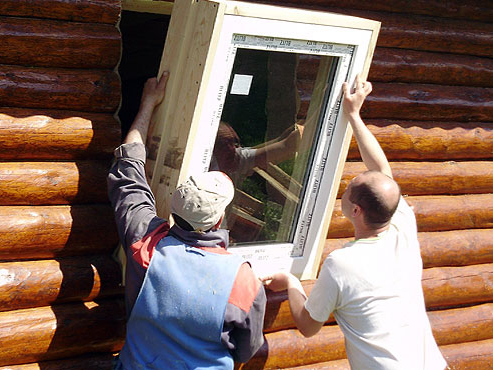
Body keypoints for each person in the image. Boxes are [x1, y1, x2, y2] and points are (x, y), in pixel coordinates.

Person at [262, 75, 446, 370]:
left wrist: (292, 282)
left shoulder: (341, 263)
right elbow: (381, 170)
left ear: (356, 211)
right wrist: (353, 115)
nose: (344, 188)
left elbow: (309, 327)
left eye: (349, 188)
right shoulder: (402, 227)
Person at [108, 72, 266, 370]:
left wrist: (148, 103)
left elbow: (128, 168)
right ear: (220, 218)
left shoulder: (148, 245)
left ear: (173, 207)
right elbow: (245, 351)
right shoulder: (242, 279)